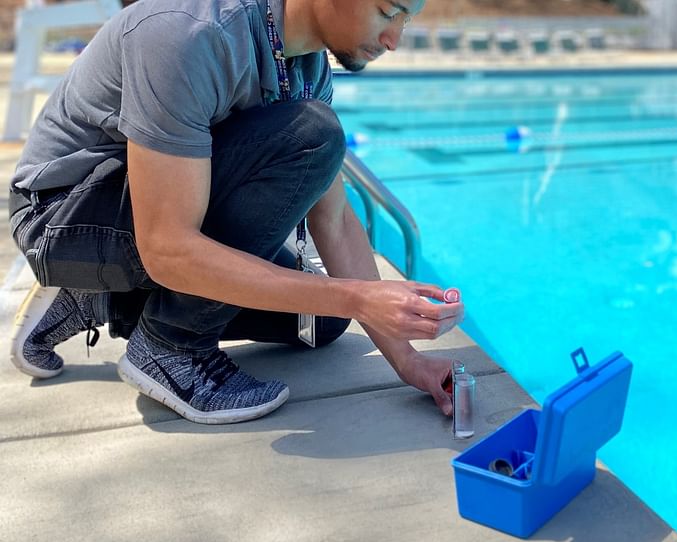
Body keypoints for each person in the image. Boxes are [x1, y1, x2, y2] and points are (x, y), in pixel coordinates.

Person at [7, 0, 464, 425]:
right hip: (64, 216)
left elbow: (335, 219)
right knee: (314, 135)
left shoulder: (307, 67)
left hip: (150, 212)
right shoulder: (189, 36)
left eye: (407, 20)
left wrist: (408, 360)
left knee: (319, 322)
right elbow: (167, 248)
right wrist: (359, 296)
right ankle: (171, 349)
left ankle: (98, 296)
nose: (394, 40)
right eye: (388, 12)